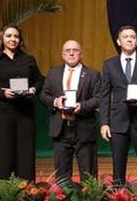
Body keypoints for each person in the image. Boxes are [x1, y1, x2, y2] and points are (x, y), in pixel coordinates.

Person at [99, 25, 137, 185]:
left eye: (132, 37)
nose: (129, 39)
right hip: (118, 122)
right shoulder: (109, 64)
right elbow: (104, 95)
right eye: (125, 37)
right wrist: (104, 123)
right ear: (118, 41)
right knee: (118, 167)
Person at [0, 24, 42, 182]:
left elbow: (39, 79)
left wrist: (34, 89)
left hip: (25, 113)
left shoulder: (28, 59)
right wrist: (2, 93)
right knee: (3, 154)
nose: (13, 39)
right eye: (9, 36)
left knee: (25, 154)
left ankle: (27, 195)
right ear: (2, 39)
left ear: (20, 40)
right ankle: (2, 196)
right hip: (3, 113)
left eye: (16, 36)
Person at [39, 40, 102, 182]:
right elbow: (43, 95)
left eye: (75, 50)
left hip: (84, 129)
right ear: (62, 54)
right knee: (62, 176)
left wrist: (83, 106)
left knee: (89, 175)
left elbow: (99, 98)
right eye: (68, 50)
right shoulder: (53, 72)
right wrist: (56, 101)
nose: (71, 53)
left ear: (81, 54)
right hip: (60, 129)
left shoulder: (93, 74)